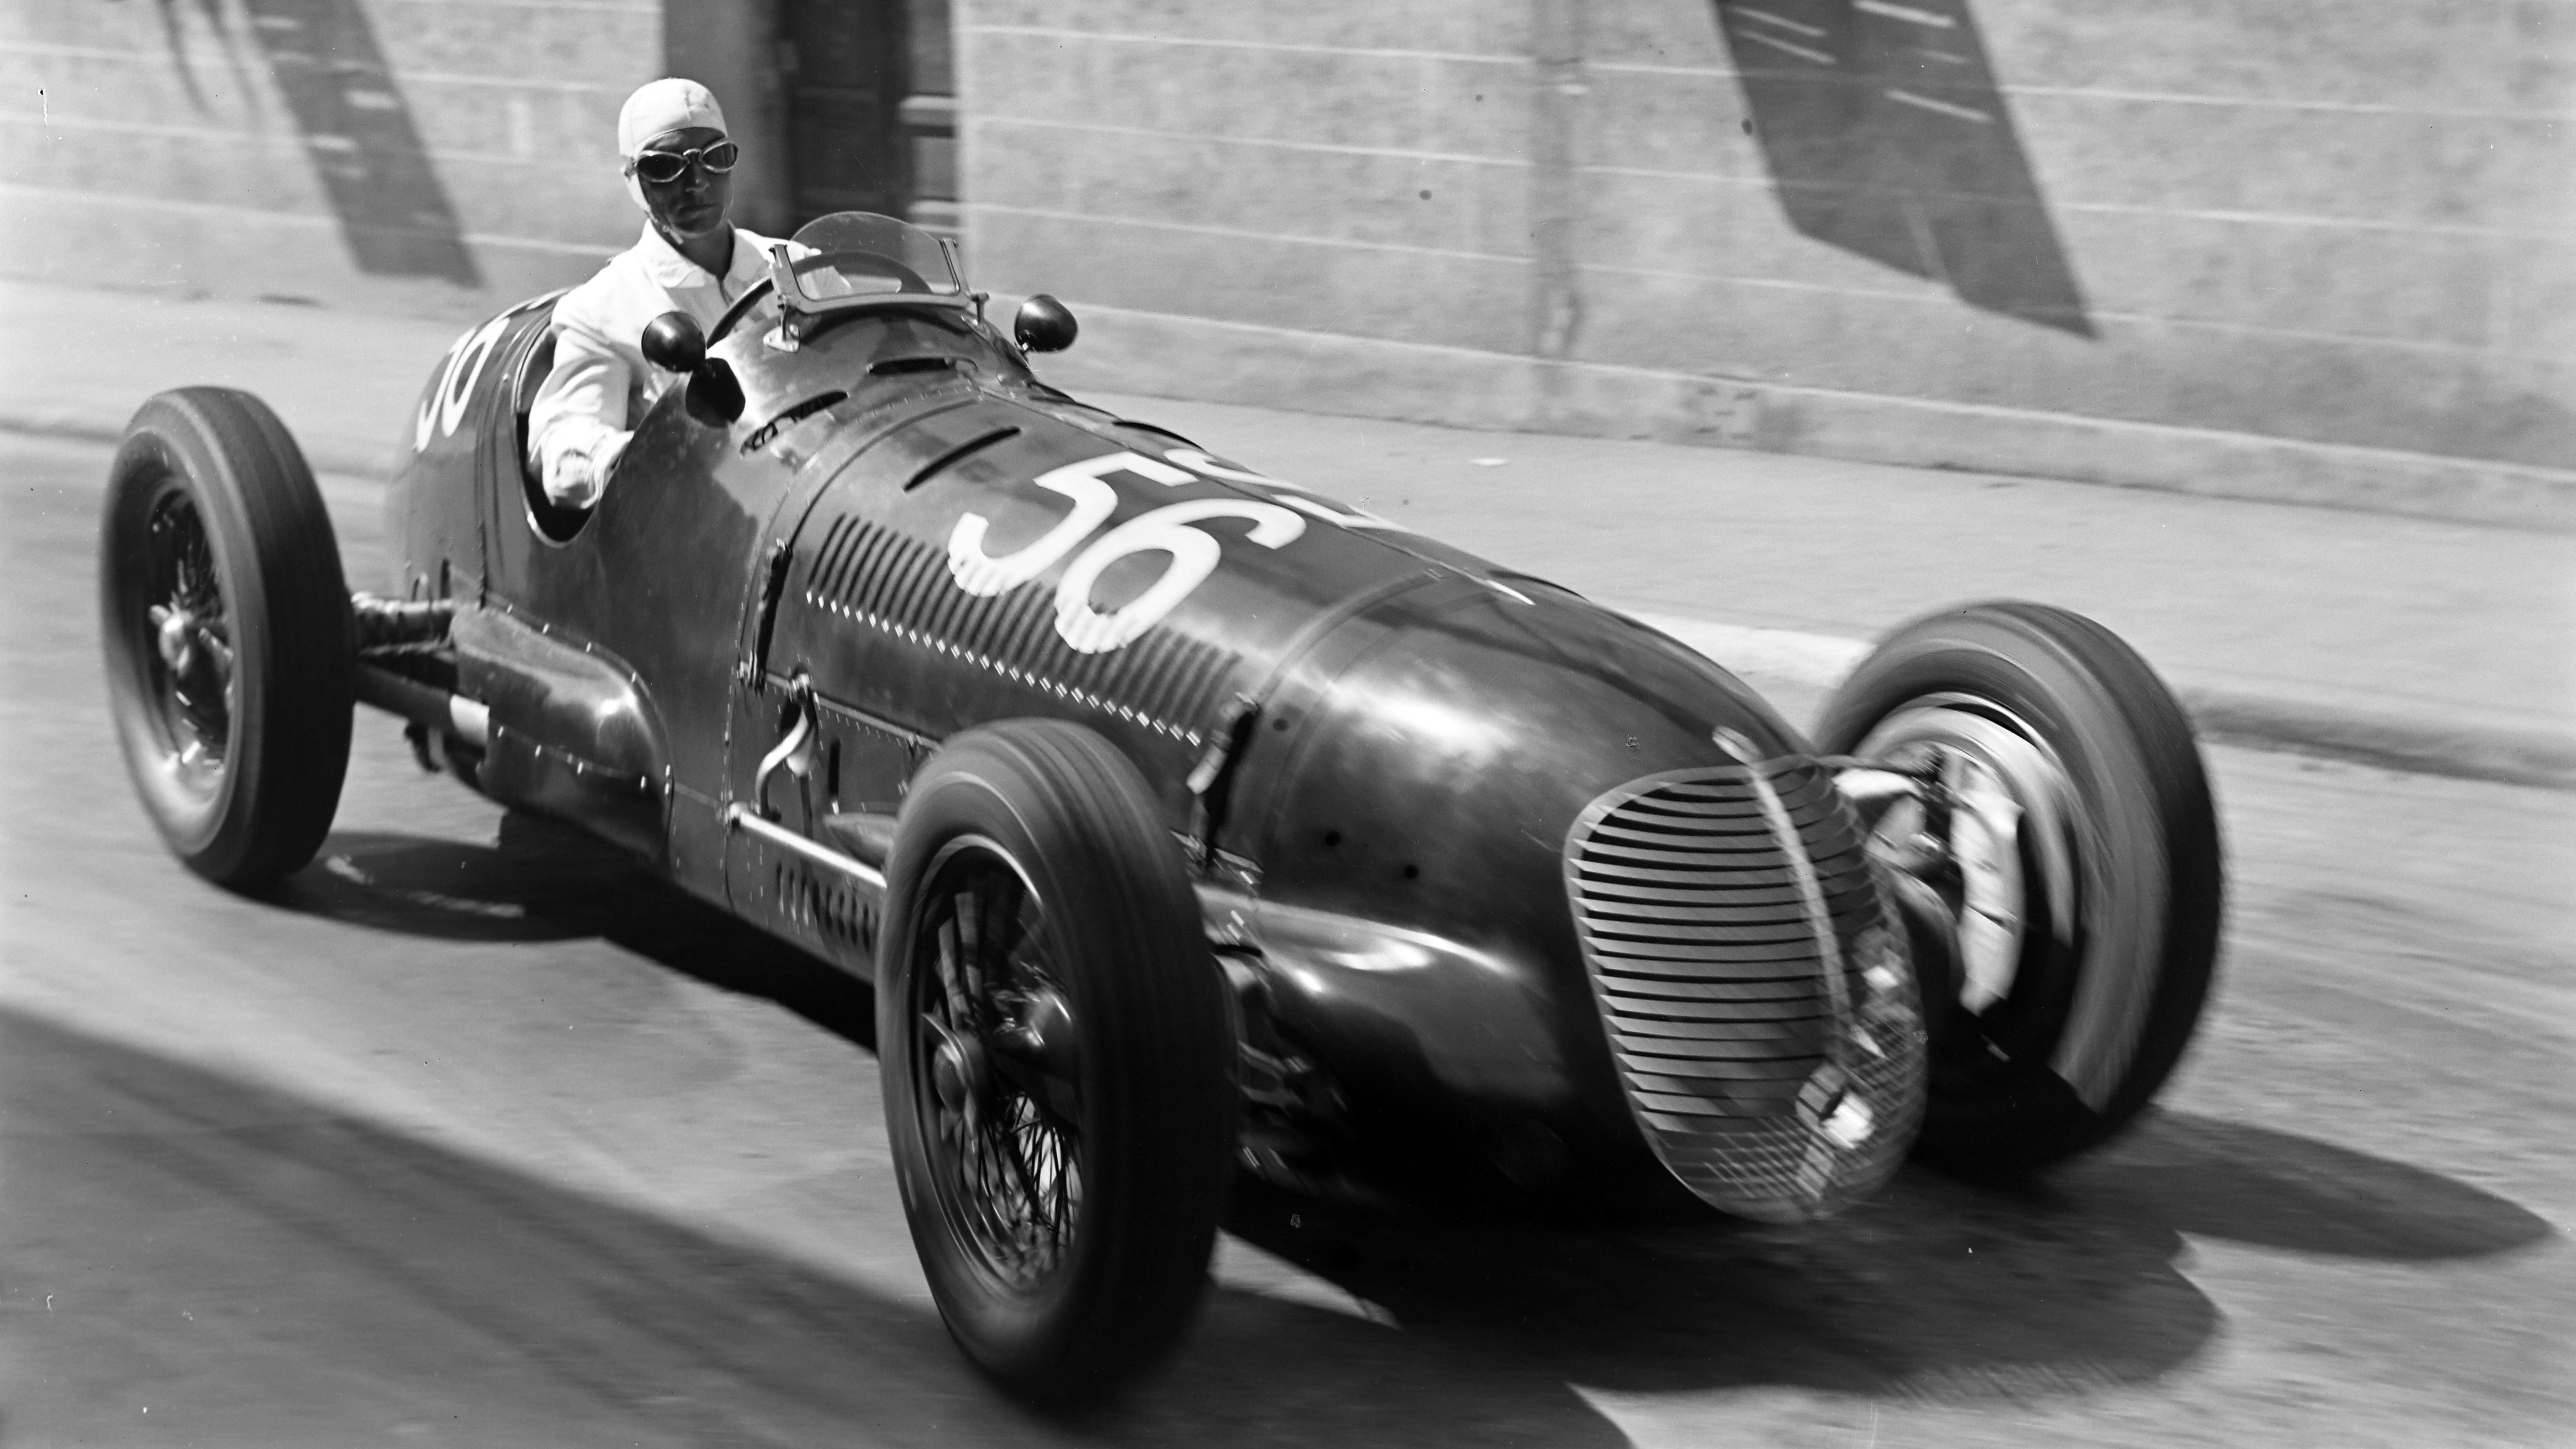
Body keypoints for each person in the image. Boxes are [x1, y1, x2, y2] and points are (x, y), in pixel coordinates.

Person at [526, 78, 784, 509]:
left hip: (820, 498)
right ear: (632, 180)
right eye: (665, 168)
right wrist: (658, 458)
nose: (697, 183)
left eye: (715, 159)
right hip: (705, 523)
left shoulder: (797, 266)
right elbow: (562, 451)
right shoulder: (603, 309)